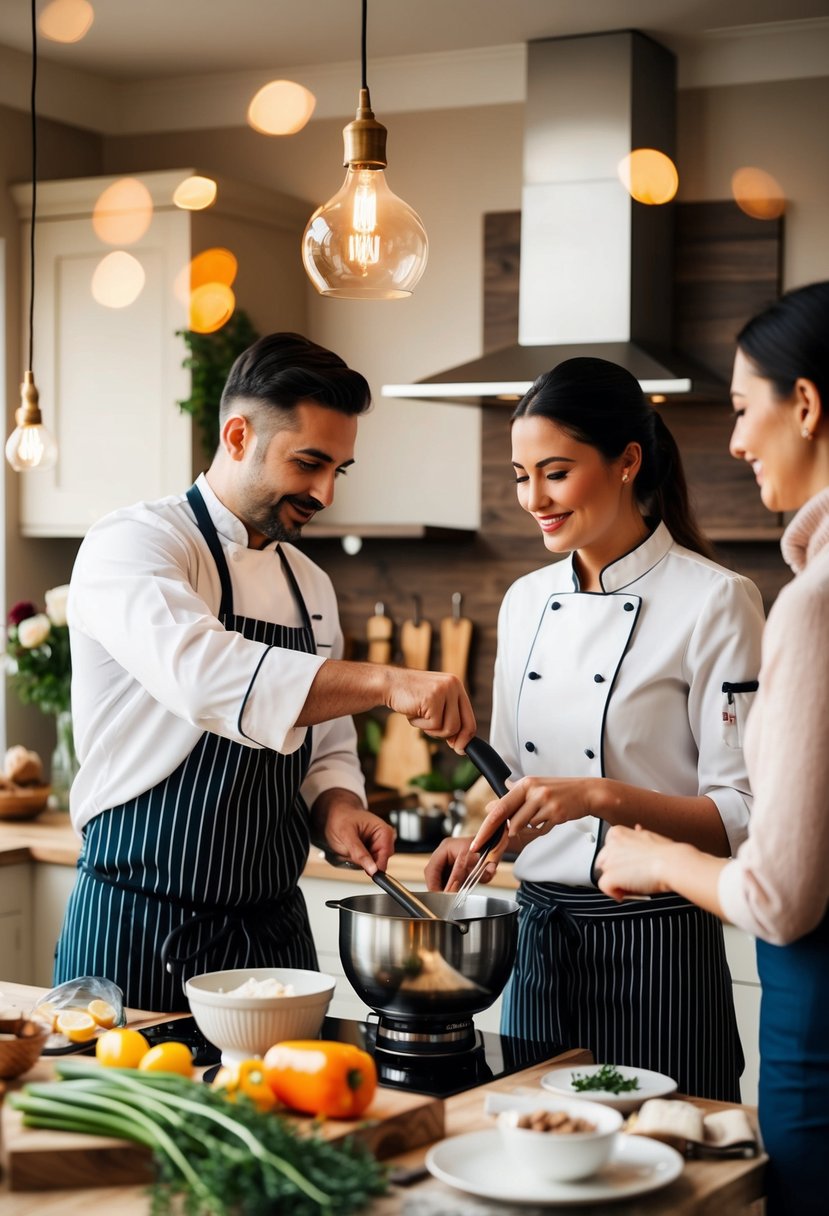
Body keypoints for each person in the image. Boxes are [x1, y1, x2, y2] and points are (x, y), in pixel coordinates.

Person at [54, 332, 476, 1011]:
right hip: (136, 926)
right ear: (238, 434)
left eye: (339, 469)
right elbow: (205, 677)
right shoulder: (135, 544)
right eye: (309, 462)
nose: (325, 492)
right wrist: (386, 681)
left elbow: (326, 744)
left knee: (298, 1118)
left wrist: (337, 804)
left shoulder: (309, 583)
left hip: (271, 938)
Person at [425, 355, 765, 1102]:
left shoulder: (716, 601)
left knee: (669, 1177)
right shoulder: (522, 601)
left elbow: (741, 816)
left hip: (660, 943)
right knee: (538, 1160)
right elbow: (517, 785)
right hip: (539, 942)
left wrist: (600, 797)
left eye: (554, 472)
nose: (533, 499)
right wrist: (479, 841)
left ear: (626, 461)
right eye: (520, 476)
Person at [596, 282, 829, 1216]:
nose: (733, 441)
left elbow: (779, 897)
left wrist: (656, 857)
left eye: (742, 408)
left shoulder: (811, 604)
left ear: (804, 405)